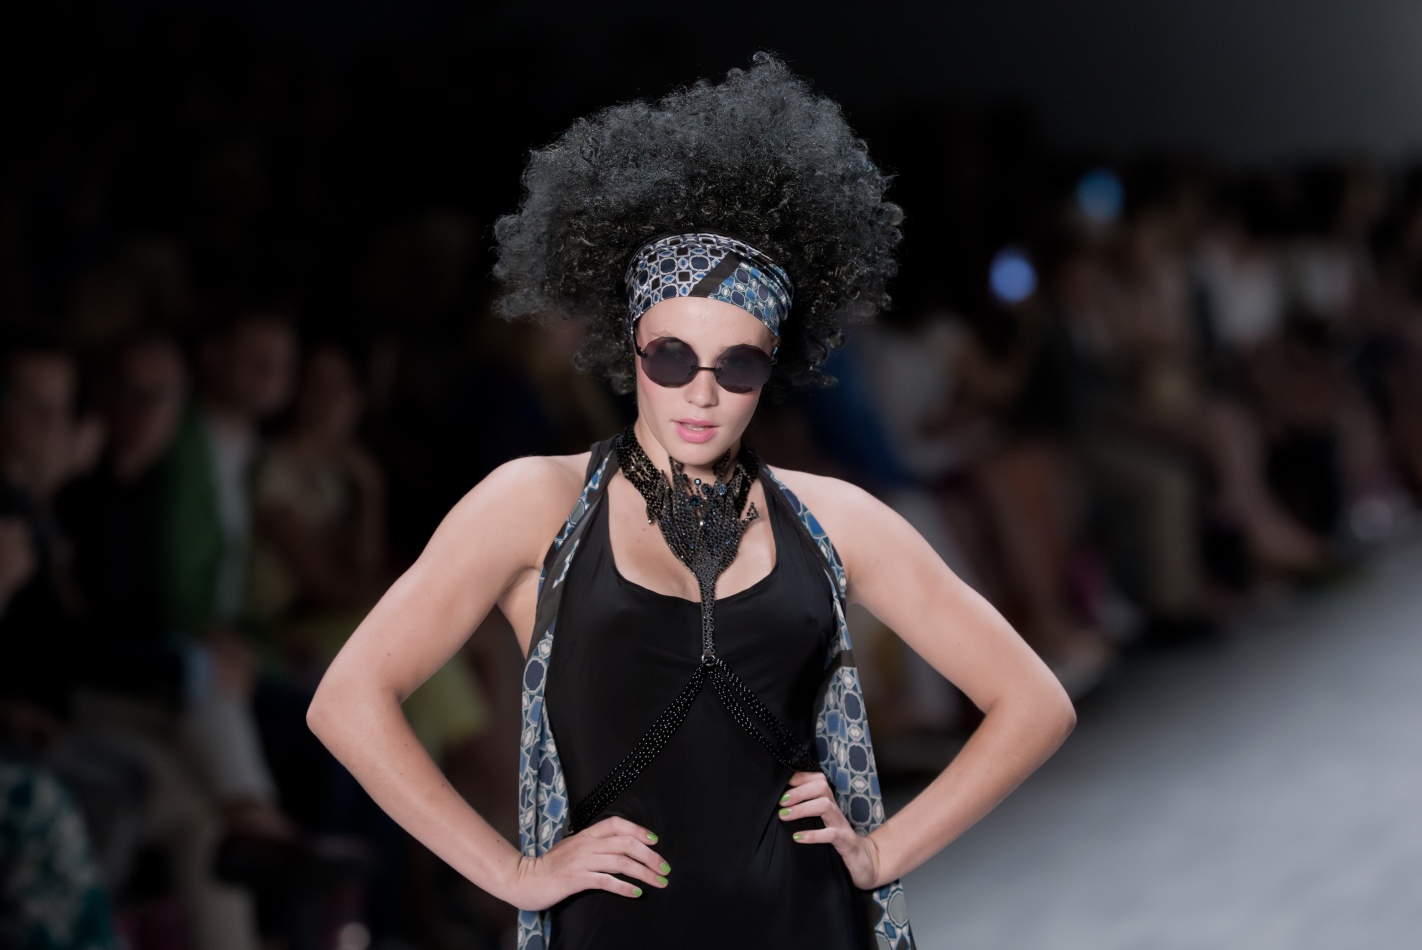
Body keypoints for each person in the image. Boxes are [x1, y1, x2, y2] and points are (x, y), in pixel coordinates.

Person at [307, 55, 1076, 950]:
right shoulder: (533, 503)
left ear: (772, 369)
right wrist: (512, 873)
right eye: (671, 357)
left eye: (736, 365)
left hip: (805, 920)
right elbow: (348, 700)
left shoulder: (834, 518)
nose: (701, 392)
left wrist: (883, 850)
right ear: (629, 345)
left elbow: (1035, 703)